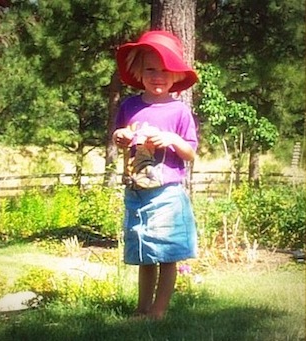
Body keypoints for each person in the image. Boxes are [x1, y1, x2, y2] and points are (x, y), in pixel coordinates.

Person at [113, 30, 199, 320]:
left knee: (166, 254)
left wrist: (172, 140)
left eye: (165, 70)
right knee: (144, 253)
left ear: (176, 75)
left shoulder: (179, 111)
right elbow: (120, 136)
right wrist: (121, 135)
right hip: (138, 190)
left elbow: (190, 153)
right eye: (150, 68)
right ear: (138, 71)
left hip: (167, 192)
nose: (157, 75)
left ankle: (158, 311)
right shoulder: (130, 106)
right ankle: (141, 309)